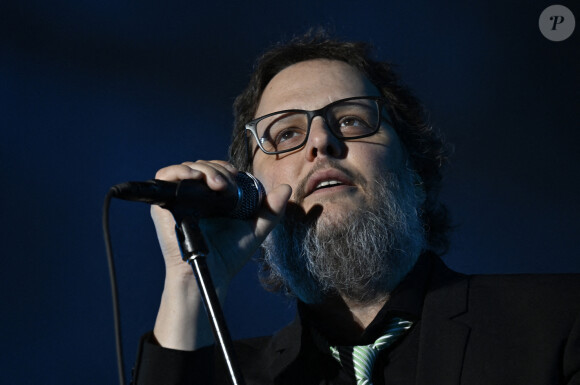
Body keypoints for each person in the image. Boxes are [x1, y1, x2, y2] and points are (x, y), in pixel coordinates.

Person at [131, 32, 580, 385]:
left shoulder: (557, 322)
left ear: (415, 170)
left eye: (351, 120)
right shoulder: (234, 376)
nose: (322, 141)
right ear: (252, 187)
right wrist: (192, 275)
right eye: (286, 134)